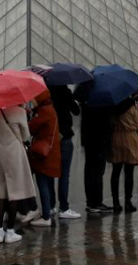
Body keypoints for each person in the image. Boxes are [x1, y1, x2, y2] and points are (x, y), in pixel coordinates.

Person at [0, 105, 36, 245]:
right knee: (15, 192)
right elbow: (25, 136)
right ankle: (10, 231)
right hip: (14, 155)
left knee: (0, 193)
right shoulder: (20, 112)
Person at [28, 92, 61, 227]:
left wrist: (30, 116)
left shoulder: (43, 111)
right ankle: (48, 210)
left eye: (34, 98)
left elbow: (31, 128)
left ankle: (46, 216)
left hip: (43, 154)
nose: (32, 100)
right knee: (46, 182)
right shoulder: (50, 109)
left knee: (42, 183)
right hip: (50, 153)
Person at [48, 85, 80, 219]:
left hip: (49, 138)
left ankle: (50, 206)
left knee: (48, 173)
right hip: (65, 136)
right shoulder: (65, 91)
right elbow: (76, 111)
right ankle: (64, 207)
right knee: (64, 174)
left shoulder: (46, 91)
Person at [109, 97, 138, 212]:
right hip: (130, 138)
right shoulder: (131, 105)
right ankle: (128, 202)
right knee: (129, 173)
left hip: (116, 137)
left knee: (116, 172)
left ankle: (115, 203)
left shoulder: (113, 105)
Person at [81, 99, 115, 214]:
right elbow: (107, 122)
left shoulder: (87, 99)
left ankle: (92, 201)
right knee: (97, 172)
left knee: (90, 171)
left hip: (90, 140)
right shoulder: (102, 104)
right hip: (99, 141)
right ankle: (95, 202)